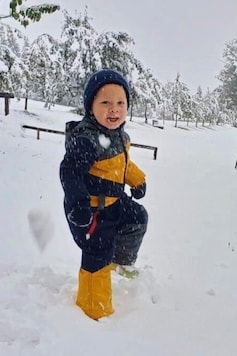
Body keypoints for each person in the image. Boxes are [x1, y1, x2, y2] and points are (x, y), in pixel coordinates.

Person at [59, 69, 148, 320]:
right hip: (90, 210)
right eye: (105, 102)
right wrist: (78, 204)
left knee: (137, 217)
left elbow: (123, 164)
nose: (114, 109)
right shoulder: (87, 139)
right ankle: (93, 308)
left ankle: (119, 262)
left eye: (120, 103)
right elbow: (70, 172)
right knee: (97, 252)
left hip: (114, 203)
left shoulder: (119, 136)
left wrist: (137, 180)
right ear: (91, 107)